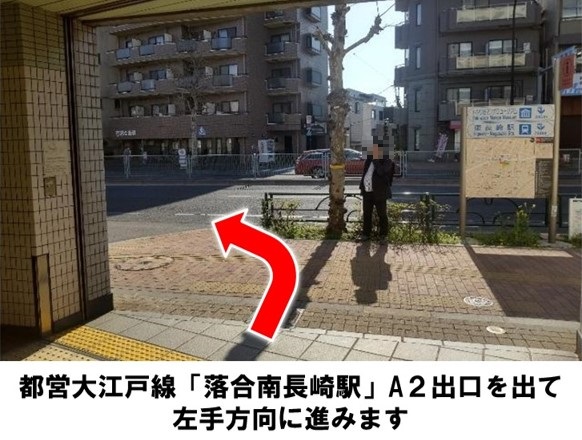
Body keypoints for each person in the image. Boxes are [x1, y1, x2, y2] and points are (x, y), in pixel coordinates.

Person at [358, 137, 395, 244]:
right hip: (367, 191)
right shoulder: (369, 159)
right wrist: (362, 186)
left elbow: (381, 172)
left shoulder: (387, 160)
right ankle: (366, 234)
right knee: (367, 214)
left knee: (382, 215)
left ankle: (383, 236)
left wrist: (376, 160)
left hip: (380, 192)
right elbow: (365, 173)